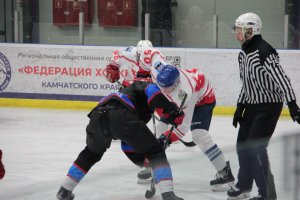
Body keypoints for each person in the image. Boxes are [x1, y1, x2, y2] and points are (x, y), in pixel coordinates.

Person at [56, 79, 185, 200]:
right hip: (120, 115)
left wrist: (147, 162)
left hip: (96, 118)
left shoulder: (124, 95)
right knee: (156, 151)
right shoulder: (140, 85)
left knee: (90, 154)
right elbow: (152, 90)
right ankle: (168, 194)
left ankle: (64, 190)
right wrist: (171, 109)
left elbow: (127, 144)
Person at [137, 47, 236, 192]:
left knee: (199, 135)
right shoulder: (159, 68)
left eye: (167, 88)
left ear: (176, 84)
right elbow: (151, 53)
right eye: (161, 87)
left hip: (202, 100)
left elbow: (183, 127)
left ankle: (224, 172)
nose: (163, 91)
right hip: (182, 96)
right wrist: (142, 71)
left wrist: (167, 139)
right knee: (160, 127)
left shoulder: (185, 94)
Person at [228, 12, 300, 200]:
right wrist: (240, 105)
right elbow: (248, 83)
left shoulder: (264, 52)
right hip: (251, 106)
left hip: (268, 107)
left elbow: (282, 79)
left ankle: (268, 194)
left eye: (240, 30)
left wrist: (292, 105)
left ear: (251, 30)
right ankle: (244, 185)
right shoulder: (243, 53)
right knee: (242, 146)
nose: (237, 34)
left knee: (255, 148)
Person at [105, 40, 156, 184]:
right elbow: (116, 55)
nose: (145, 58)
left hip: (144, 96)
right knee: (128, 130)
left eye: (148, 54)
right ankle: (149, 163)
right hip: (128, 92)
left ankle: (149, 164)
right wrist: (112, 68)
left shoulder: (155, 60)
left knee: (132, 131)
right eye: (142, 55)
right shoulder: (128, 52)